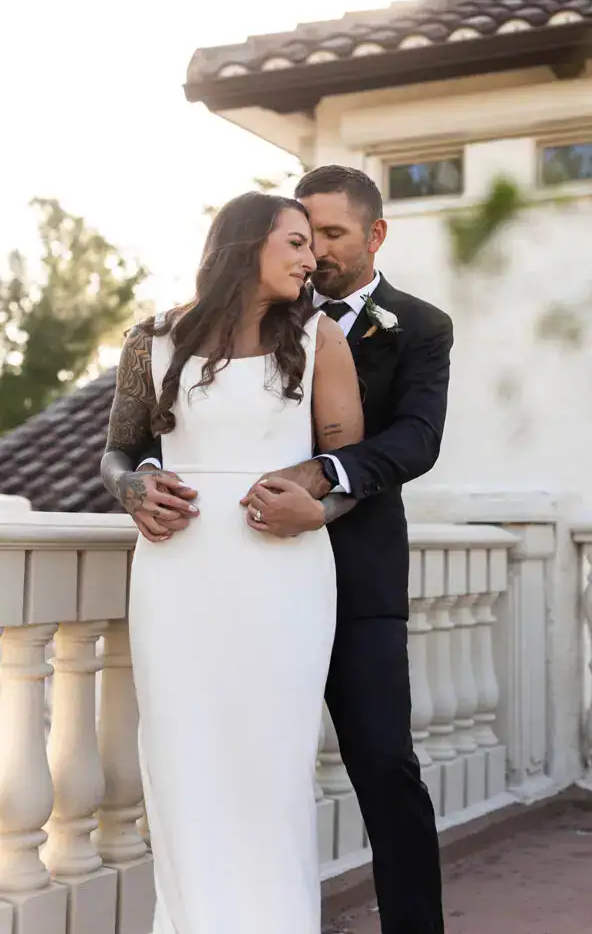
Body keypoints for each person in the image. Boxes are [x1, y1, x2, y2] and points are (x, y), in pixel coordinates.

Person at [135, 166, 454, 933]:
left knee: (381, 761)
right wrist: (144, 479)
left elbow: (416, 439)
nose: (316, 254)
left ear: (375, 235)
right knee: (221, 757)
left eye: (332, 236)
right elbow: (151, 436)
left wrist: (323, 480)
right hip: (220, 574)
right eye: (301, 234)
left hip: (356, 570)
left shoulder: (418, 325)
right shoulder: (185, 336)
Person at [100, 191, 365, 934]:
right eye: (295, 242)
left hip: (282, 576)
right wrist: (132, 488)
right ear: (245, 244)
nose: (310, 258)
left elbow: (349, 464)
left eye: (313, 244)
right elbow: (119, 448)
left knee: (270, 770)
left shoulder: (320, 339)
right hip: (178, 575)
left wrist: (318, 506)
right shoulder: (150, 341)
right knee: (183, 763)